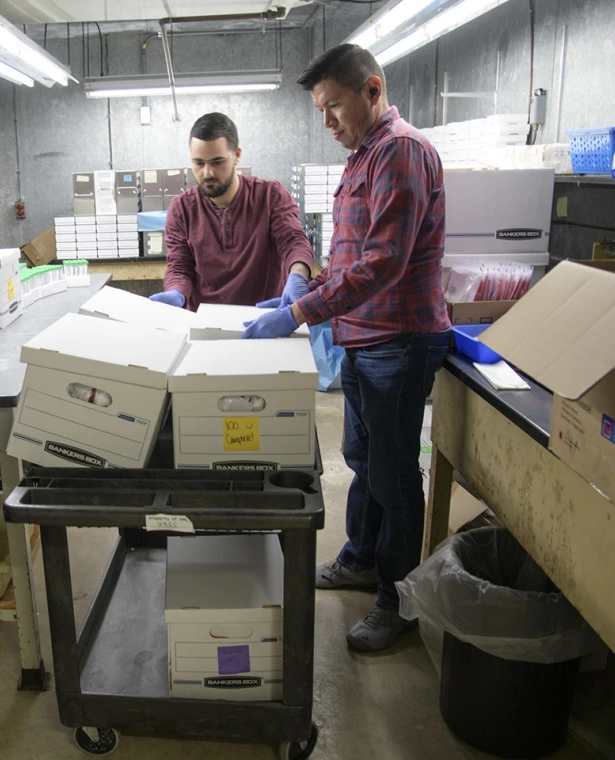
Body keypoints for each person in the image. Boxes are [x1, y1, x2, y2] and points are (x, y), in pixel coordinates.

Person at [241, 45, 452, 652]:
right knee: (363, 459)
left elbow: (385, 263)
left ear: (373, 90)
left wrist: (300, 313)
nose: (326, 120)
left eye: (334, 106)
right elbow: (349, 259)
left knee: (393, 474)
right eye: (320, 109)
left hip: (399, 338)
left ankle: (398, 601)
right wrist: (302, 291)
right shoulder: (364, 155)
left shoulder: (401, 152)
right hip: (364, 336)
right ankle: (362, 559)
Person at [150, 112, 314, 310]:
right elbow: (179, 266)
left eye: (217, 162)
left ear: (237, 155)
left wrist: (298, 275)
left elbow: (294, 242)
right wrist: (176, 292)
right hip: (204, 324)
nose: (207, 172)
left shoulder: (271, 195)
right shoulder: (181, 208)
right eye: (199, 163)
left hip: (263, 320)